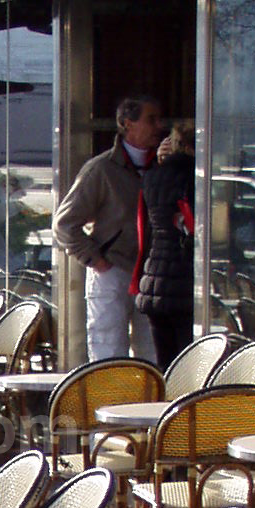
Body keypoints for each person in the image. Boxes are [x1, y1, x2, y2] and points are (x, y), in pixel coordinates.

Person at [52, 94, 166, 362]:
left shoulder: (161, 167)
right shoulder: (101, 170)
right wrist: (96, 259)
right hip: (113, 270)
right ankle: (109, 402)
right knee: (109, 351)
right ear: (128, 124)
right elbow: (65, 224)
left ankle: (146, 403)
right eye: (151, 120)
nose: (157, 127)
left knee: (151, 355)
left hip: (150, 273)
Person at [132, 125, 196, 369]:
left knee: (165, 362)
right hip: (184, 278)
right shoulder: (193, 176)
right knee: (189, 363)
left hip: (154, 276)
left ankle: (164, 404)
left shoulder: (152, 176)